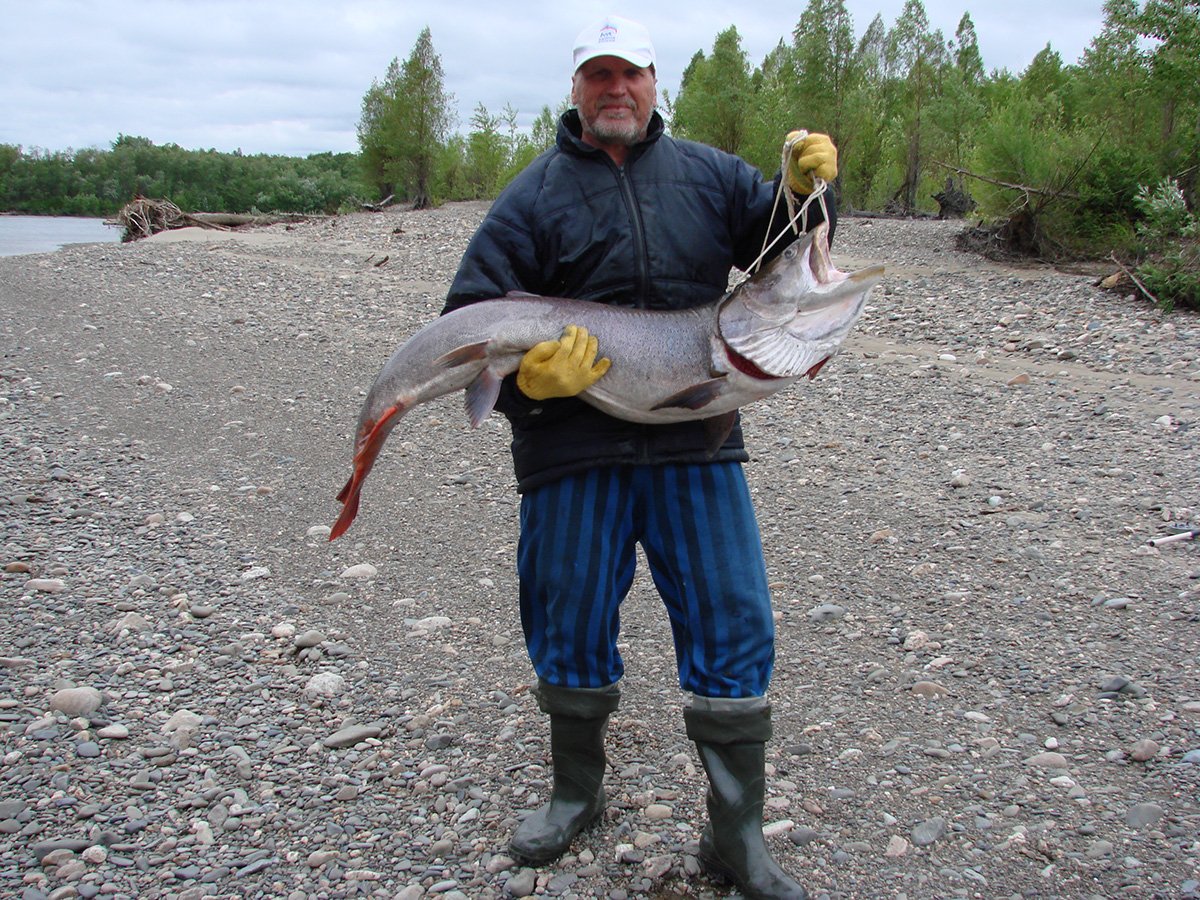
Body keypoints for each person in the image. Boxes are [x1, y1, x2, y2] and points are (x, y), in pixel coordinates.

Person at [441, 15, 837, 900]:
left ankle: (735, 833)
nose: (616, 88)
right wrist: (529, 387)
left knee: (734, 619)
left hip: (698, 441)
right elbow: (467, 324)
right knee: (568, 613)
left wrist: (807, 191)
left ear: (657, 83)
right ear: (576, 88)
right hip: (572, 447)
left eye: (632, 73)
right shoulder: (530, 198)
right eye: (599, 74)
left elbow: (785, 257)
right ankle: (575, 792)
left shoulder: (710, 176)